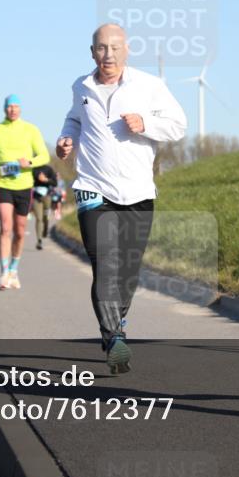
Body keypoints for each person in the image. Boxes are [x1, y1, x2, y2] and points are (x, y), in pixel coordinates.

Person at [57, 24, 186, 373]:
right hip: (92, 188)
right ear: (92, 52)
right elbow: (74, 120)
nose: (108, 55)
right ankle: (113, 337)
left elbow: (178, 124)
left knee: (128, 270)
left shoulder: (149, 86)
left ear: (126, 50)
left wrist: (144, 122)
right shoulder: (81, 86)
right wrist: (66, 139)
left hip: (138, 190)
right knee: (105, 263)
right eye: (101, 48)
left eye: (114, 48)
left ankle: (117, 323)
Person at [0, 95, 50, 289]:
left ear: (20, 109)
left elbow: (44, 155)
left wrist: (30, 162)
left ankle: (14, 269)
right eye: (10, 106)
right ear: (4, 109)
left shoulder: (31, 129)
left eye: (16, 106)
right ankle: (3, 273)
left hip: (24, 185)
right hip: (3, 185)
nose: (13, 110)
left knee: (19, 231)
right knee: (6, 227)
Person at [30, 164, 57, 250]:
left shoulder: (48, 169)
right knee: (39, 218)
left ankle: (45, 230)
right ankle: (39, 240)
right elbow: (28, 182)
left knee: (45, 217)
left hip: (47, 196)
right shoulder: (32, 169)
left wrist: (45, 180)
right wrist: (36, 180)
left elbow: (55, 183)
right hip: (36, 197)